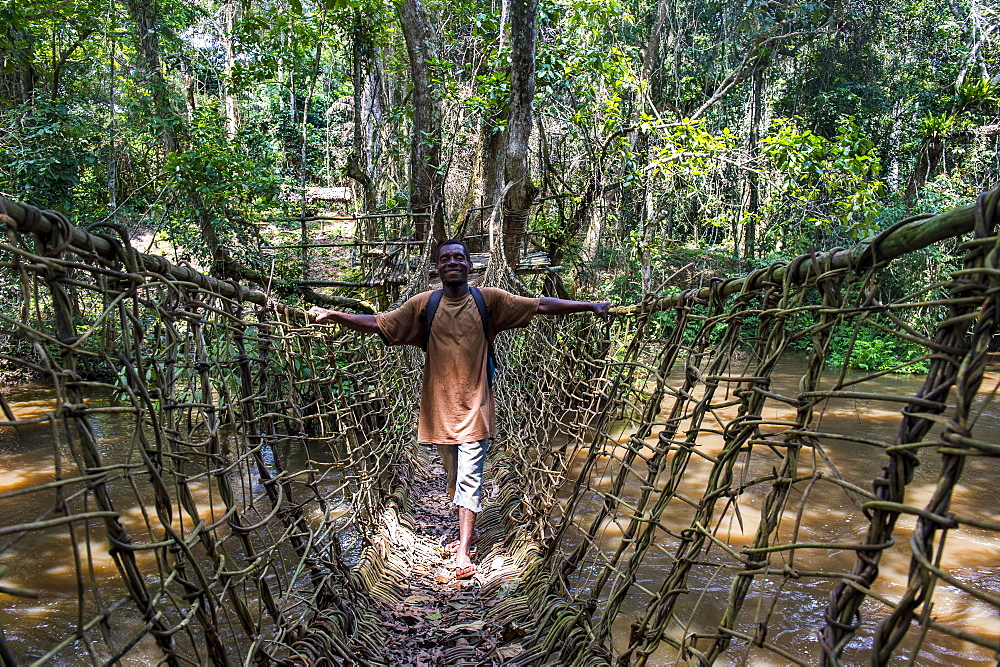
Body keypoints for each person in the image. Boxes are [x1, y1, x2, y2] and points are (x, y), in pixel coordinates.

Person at [308, 239, 610, 579]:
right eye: (446, 259)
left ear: (469, 266)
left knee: (469, 478)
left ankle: (464, 551)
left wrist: (588, 306)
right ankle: (472, 528)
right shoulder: (425, 303)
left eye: (459, 257)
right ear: (436, 269)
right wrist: (335, 315)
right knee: (454, 478)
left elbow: (540, 305)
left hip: (476, 408)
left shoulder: (489, 300)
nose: (453, 262)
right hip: (439, 411)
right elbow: (379, 323)